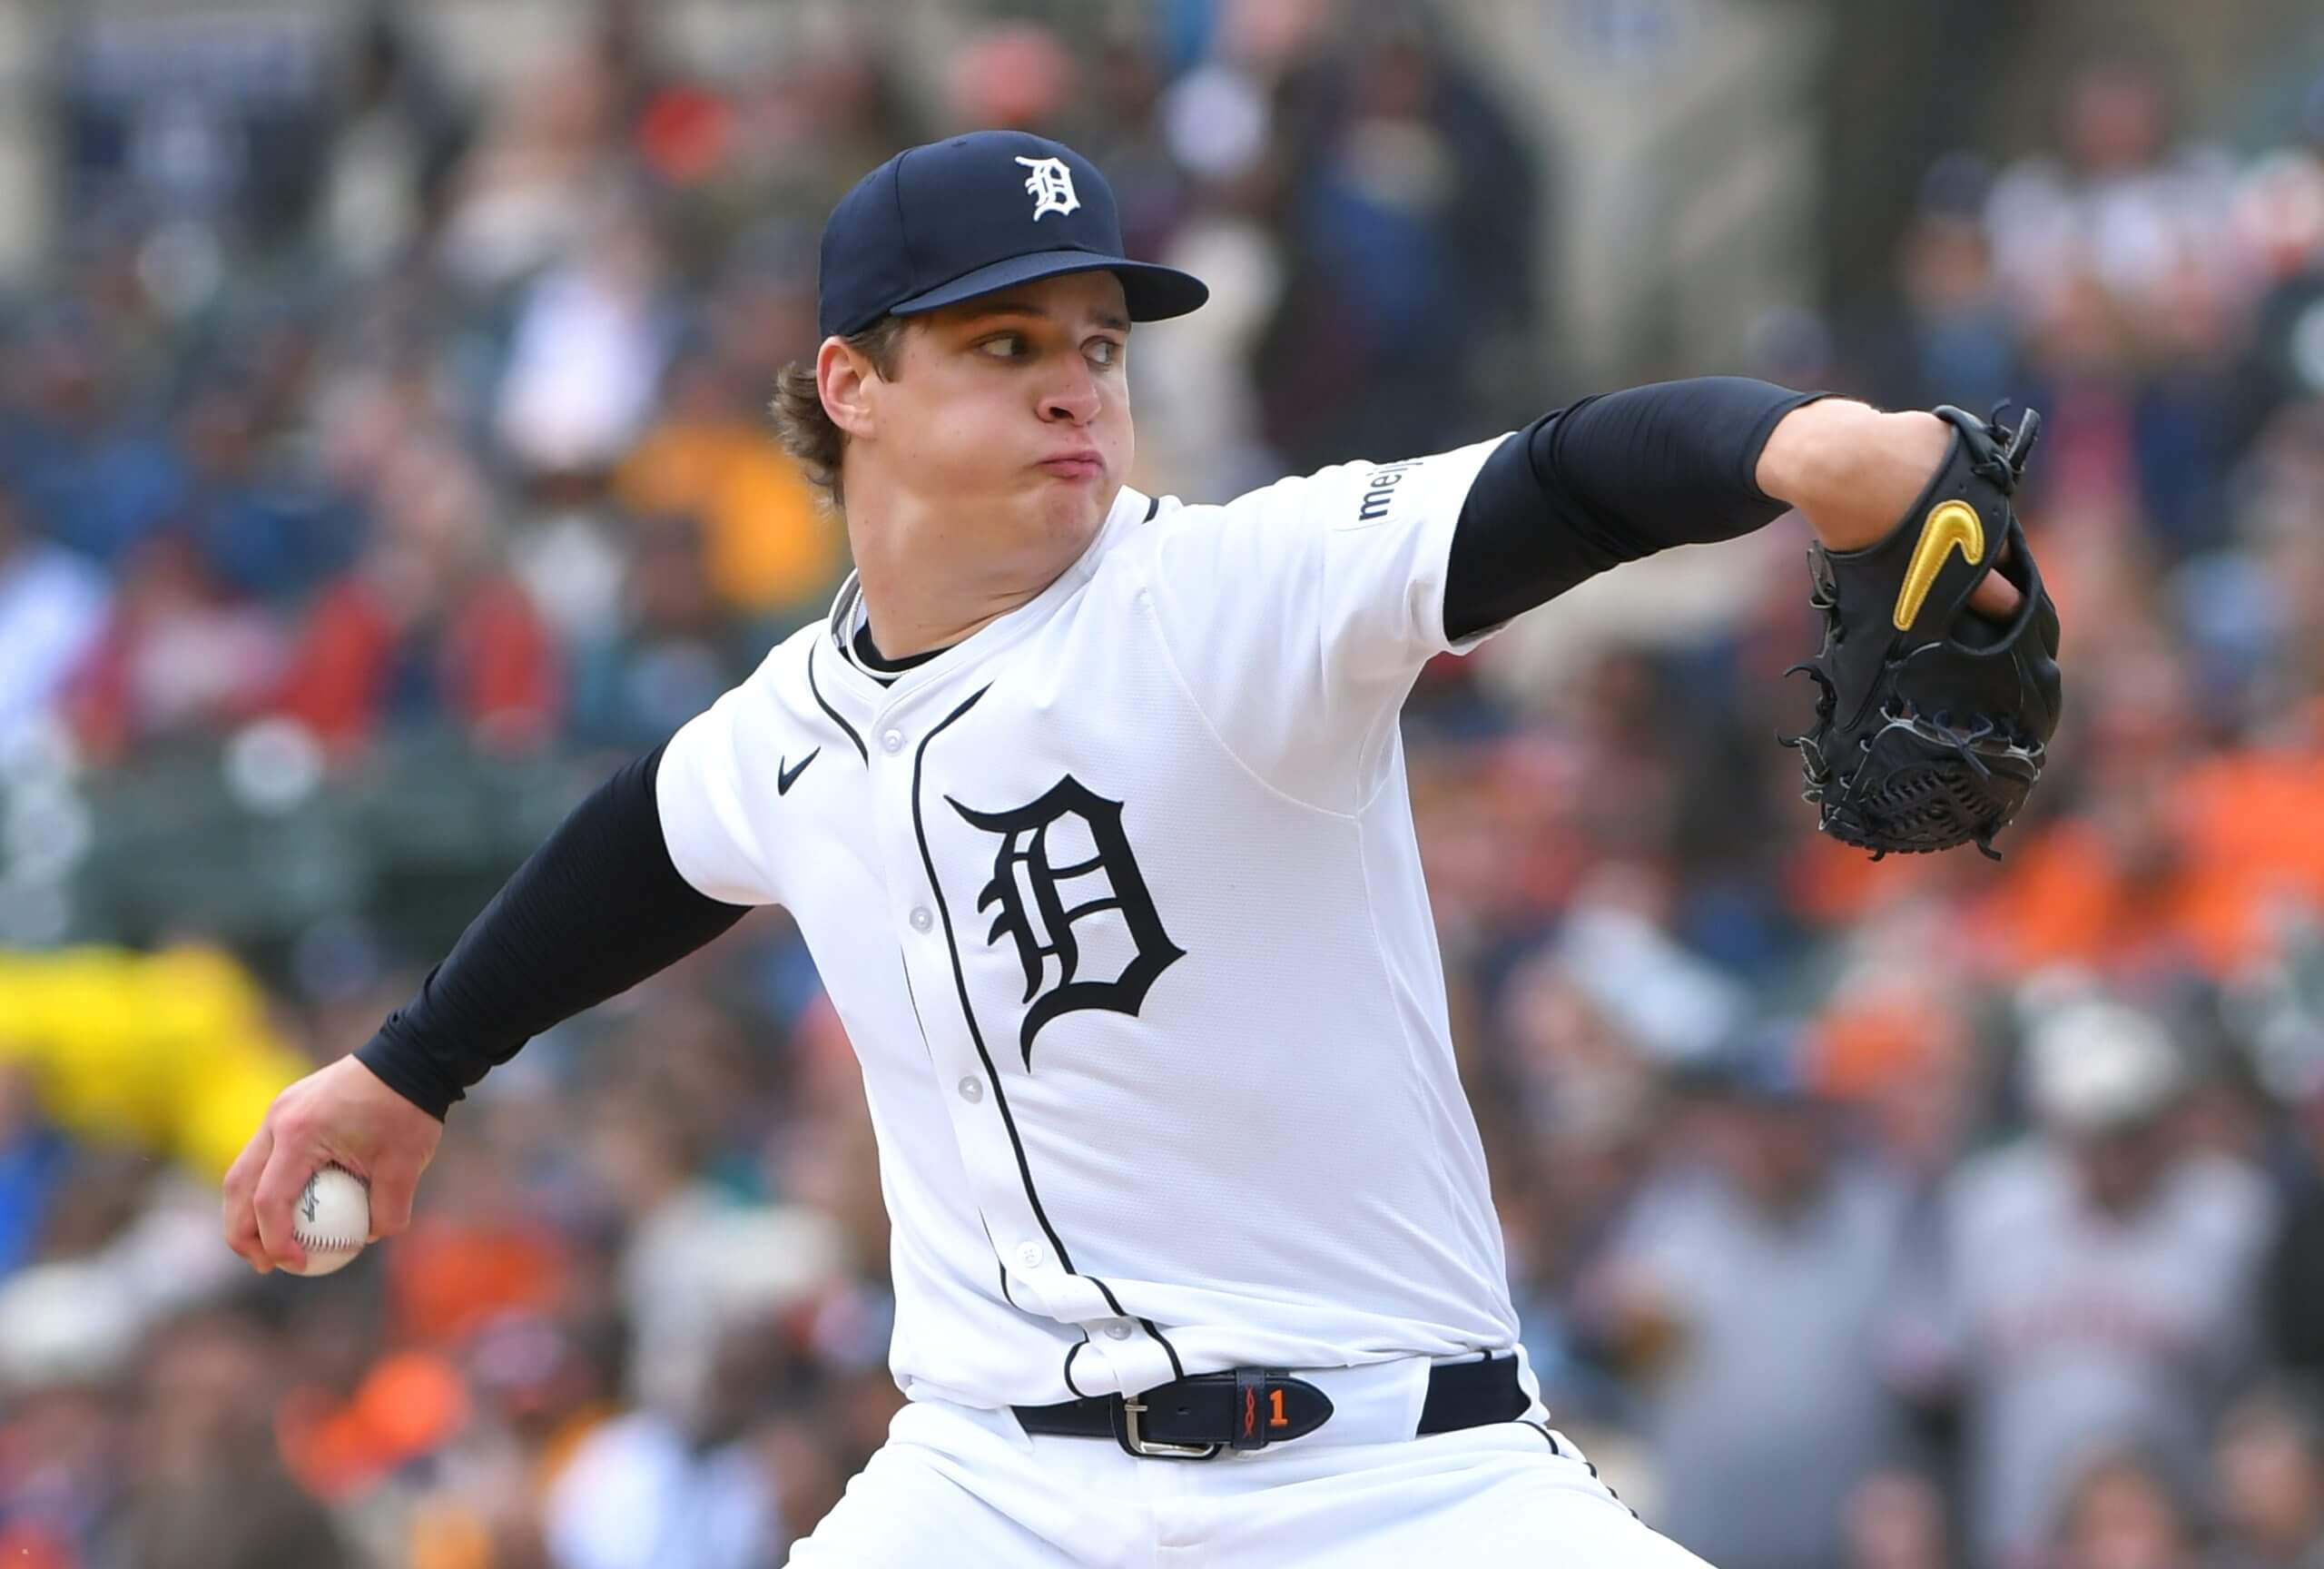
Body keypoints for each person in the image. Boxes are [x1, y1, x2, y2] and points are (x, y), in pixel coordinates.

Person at [222, 130, 2029, 1566]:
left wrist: (1807, 448)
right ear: (849, 385)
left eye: (1097, 344)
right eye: (1004, 346)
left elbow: (1556, 479)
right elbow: (646, 841)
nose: (1077, 386)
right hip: (990, 1494)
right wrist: (412, 1069)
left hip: (1392, 1485)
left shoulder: (1222, 597)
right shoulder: (793, 721)